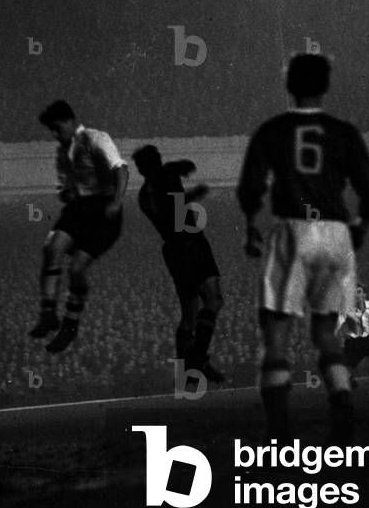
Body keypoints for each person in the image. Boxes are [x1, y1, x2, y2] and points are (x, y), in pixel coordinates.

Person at [237, 53, 369, 444]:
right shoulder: (344, 132)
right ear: (326, 85)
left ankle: (279, 432)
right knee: (326, 334)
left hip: (293, 228)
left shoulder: (272, 130)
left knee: (276, 335)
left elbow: (251, 186)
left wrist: (250, 224)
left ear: (289, 85)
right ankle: (342, 410)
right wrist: (362, 225)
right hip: (336, 232)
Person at [28, 100, 128, 353]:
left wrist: (117, 201)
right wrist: (67, 193)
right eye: (51, 129)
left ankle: (69, 327)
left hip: (103, 209)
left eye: (57, 127)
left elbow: (121, 169)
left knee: (76, 269)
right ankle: (48, 314)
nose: (54, 133)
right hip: (79, 208)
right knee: (52, 249)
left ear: (70, 121)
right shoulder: (62, 152)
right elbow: (63, 189)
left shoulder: (95, 138)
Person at [132, 144, 224, 382]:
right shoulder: (167, 175)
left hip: (174, 251)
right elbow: (175, 205)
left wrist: (187, 188)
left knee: (190, 314)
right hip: (191, 244)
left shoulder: (144, 196)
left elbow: (171, 206)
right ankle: (198, 360)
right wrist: (193, 192)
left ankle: (188, 372)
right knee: (213, 300)